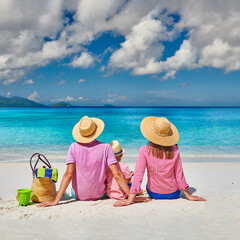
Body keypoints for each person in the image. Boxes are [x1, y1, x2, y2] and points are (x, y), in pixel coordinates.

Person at [38, 116, 132, 206]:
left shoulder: (73, 147)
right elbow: (117, 175)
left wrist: (56, 201)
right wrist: (131, 197)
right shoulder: (106, 148)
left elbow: (68, 175)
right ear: (95, 131)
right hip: (99, 195)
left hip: (78, 196)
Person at [114, 117, 206, 207]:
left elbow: (138, 175)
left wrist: (130, 199)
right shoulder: (175, 149)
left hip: (153, 193)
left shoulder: (144, 150)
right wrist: (188, 195)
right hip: (173, 193)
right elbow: (179, 174)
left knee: (148, 184)